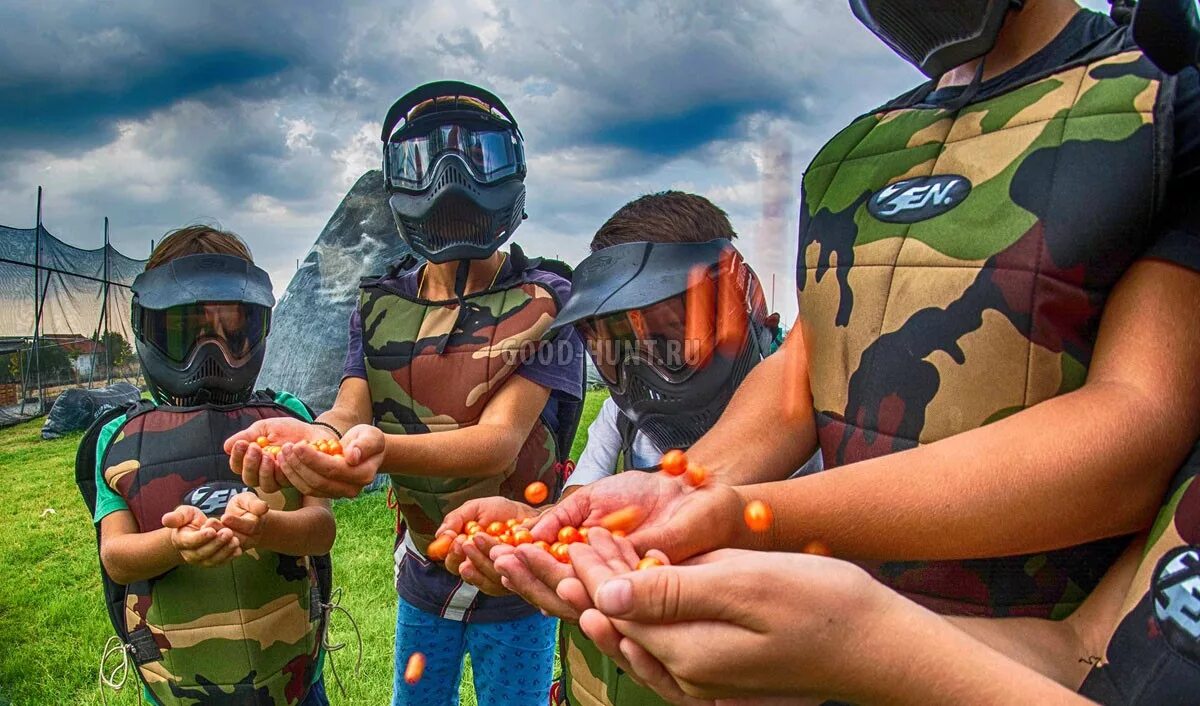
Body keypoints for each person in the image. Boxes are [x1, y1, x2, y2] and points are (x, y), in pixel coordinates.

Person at [492, 0, 1200, 699]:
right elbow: (801, 374)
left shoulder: (1161, 108)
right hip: (843, 645)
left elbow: (1136, 420)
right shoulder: (853, 158)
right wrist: (675, 496)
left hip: (1035, 650)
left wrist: (755, 515)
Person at [223, 81, 586, 706]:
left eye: (479, 155)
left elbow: (498, 446)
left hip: (516, 575)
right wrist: (316, 439)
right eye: (425, 160)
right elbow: (349, 408)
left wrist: (374, 450)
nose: (452, 180)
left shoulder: (548, 300)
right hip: (423, 568)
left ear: (513, 170)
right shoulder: (380, 303)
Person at [436, 191, 773, 706]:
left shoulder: (809, 422)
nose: (642, 373)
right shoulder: (622, 420)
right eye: (617, 348)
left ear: (737, 304)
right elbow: (577, 512)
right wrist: (536, 532)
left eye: (668, 340)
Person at [76, 226, 334, 706]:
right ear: (149, 329)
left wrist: (267, 527)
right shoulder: (118, 440)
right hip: (179, 688)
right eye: (187, 333)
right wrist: (175, 544)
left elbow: (320, 529)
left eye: (232, 333)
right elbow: (117, 557)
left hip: (294, 683)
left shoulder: (290, 421)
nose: (210, 356)